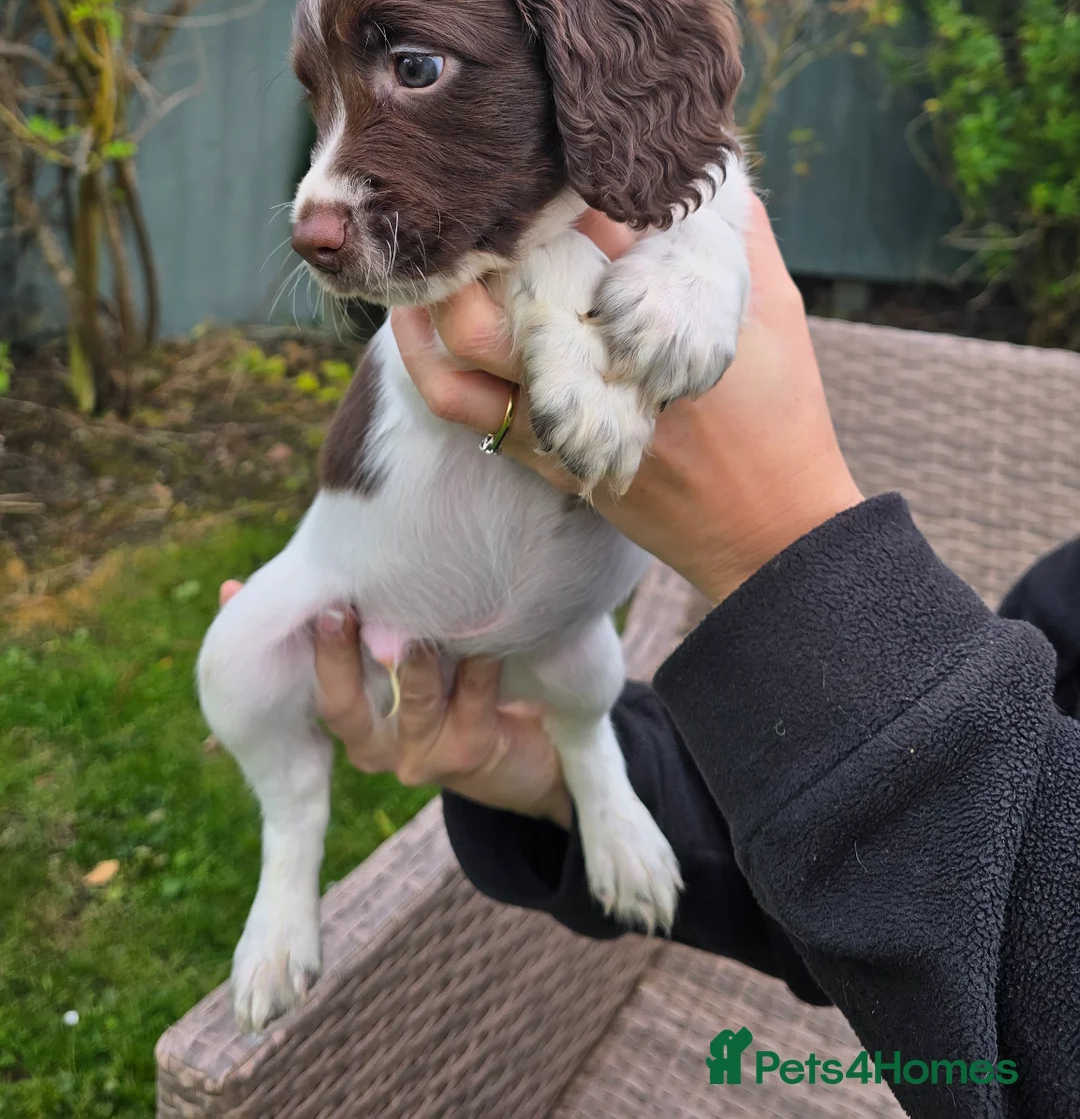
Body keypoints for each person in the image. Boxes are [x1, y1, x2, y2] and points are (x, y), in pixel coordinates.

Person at [222, 198, 1080, 1116]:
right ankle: (296, 834)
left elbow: (980, 890)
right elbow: (1005, 785)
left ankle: (595, 769)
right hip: (364, 586)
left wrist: (773, 539)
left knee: (580, 676)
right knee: (234, 662)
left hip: (564, 633)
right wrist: (546, 779)